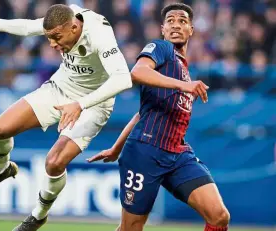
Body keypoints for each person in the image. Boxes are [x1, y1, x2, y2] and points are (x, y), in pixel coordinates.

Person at [0, 4, 134, 231]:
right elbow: (30, 27)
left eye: (56, 37)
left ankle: (38, 216)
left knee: (54, 162)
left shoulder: (99, 34)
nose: (52, 44)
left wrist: (80, 104)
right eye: (49, 38)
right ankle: (1, 170)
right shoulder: (63, 18)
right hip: (60, 89)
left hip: (93, 104)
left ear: (75, 27)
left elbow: (123, 79)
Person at [88, 3, 230, 231]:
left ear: (191, 30)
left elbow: (141, 113)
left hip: (178, 154)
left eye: (182, 21)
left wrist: (116, 148)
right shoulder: (161, 48)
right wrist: (185, 85)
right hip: (146, 152)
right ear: (162, 29)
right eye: (170, 21)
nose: (176, 25)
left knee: (219, 216)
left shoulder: (184, 70)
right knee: (130, 228)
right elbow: (137, 72)